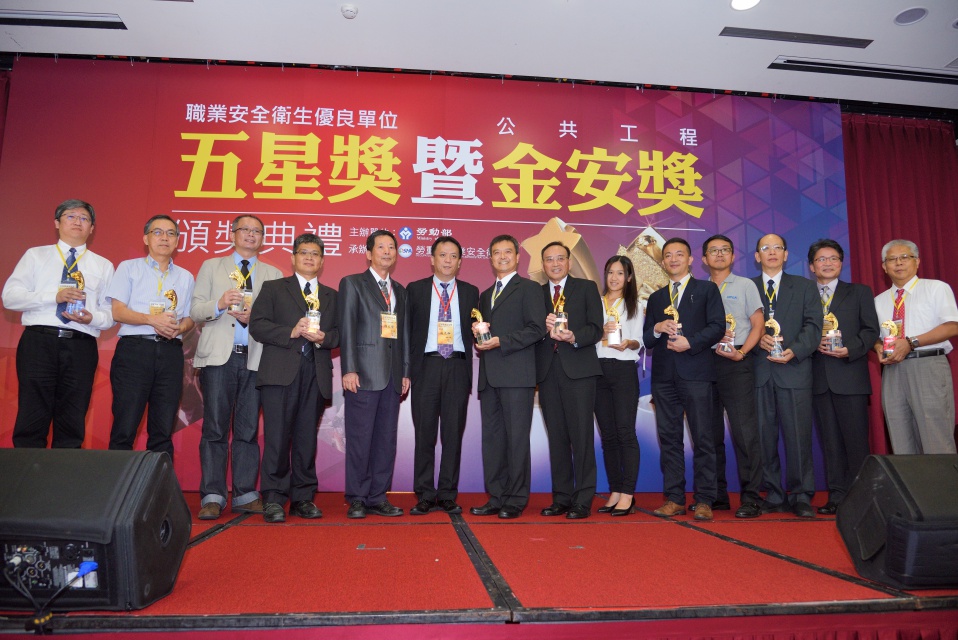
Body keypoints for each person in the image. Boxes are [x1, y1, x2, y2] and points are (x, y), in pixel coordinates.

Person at [190, 215, 283, 520]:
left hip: (255, 359)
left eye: (257, 231)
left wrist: (256, 317)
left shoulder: (273, 273)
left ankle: (244, 493)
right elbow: (195, 311)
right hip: (219, 357)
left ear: (263, 239)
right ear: (232, 234)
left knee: (248, 430)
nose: (251, 235)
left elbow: (278, 321)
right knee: (215, 428)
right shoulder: (211, 266)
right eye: (245, 229)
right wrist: (219, 304)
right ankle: (213, 495)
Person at [2, 199, 115, 448]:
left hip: (81, 345)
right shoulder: (36, 255)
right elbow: (10, 297)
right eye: (71, 216)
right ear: (57, 223)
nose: (77, 222)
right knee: (32, 413)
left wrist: (92, 318)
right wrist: (53, 297)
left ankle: (65, 471)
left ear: (92, 228)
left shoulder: (103, 265)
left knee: (73, 417)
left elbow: (110, 314)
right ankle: (27, 470)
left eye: (84, 218)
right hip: (39, 342)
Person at [249, 233, 339, 523]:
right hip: (279, 373)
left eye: (315, 254)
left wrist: (324, 338)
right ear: (293, 258)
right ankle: (274, 499)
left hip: (315, 373)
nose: (309, 258)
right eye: (304, 253)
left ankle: (303, 498)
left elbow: (340, 334)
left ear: (322, 261)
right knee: (277, 437)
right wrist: (291, 330)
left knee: (306, 439)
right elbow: (257, 325)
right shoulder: (274, 288)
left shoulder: (331, 295)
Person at [643, 238, 725, 521]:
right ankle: (675, 498)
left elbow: (718, 326)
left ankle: (704, 500)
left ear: (690, 260)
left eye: (680, 254)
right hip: (664, 378)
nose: (673, 259)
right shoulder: (656, 297)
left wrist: (690, 342)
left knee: (703, 438)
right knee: (669, 439)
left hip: (697, 374)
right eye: (668, 255)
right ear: (662, 262)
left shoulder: (706, 290)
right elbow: (647, 339)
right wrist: (657, 327)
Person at [470, 235, 547, 519]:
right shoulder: (485, 294)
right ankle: (496, 496)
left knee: (516, 440)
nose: (502, 257)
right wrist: (479, 335)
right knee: (492, 441)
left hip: (517, 376)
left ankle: (515, 499)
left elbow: (537, 329)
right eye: (496, 253)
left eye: (507, 252)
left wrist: (501, 341)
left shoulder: (529, 289)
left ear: (517, 257)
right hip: (489, 377)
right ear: (490, 258)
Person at [107, 214, 195, 460]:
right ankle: (118, 483)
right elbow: (118, 311)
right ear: (146, 239)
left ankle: (159, 482)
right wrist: (151, 320)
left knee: (163, 428)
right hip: (135, 351)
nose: (164, 238)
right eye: (158, 232)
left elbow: (190, 318)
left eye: (170, 233)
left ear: (177, 241)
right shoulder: (128, 268)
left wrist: (179, 328)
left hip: (170, 352)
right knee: (125, 425)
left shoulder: (186, 277)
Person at [338, 230, 410, 519]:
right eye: (381, 247)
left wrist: (405, 371)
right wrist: (349, 368)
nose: (387, 252)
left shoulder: (400, 290)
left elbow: (404, 334)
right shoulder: (353, 283)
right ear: (368, 253)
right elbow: (347, 327)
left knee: (385, 440)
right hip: (363, 374)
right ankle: (357, 497)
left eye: (391, 247)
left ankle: (378, 497)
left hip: (392, 376)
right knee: (360, 438)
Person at [407, 236, 479, 516]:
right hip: (426, 366)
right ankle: (425, 494)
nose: (448, 260)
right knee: (424, 434)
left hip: (457, 367)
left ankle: (447, 493)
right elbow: (406, 333)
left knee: (453, 435)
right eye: (442, 255)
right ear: (432, 259)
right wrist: (406, 371)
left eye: (453, 256)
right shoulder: (415, 290)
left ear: (460, 262)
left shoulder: (471, 292)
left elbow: (479, 330)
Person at [751, 233, 822, 518]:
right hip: (759, 372)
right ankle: (773, 493)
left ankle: (801, 494)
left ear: (786, 254)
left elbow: (814, 325)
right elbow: (737, 325)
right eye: (765, 248)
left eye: (777, 247)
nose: (772, 252)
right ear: (757, 256)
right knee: (763, 438)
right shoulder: (747, 287)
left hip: (794, 370)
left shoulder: (805, 286)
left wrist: (795, 350)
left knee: (798, 436)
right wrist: (756, 339)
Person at [807, 239, 880, 515]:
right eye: (821, 259)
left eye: (833, 258)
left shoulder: (859, 292)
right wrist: (811, 343)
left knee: (856, 441)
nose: (827, 263)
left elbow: (870, 330)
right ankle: (836, 496)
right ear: (812, 266)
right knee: (830, 443)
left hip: (851, 376)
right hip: (817, 379)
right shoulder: (804, 294)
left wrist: (850, 349)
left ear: (841, 262)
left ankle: (862, 498)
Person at [535, 241, 604, 520]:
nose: (555, 263)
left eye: (560, 258)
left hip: (579, 371)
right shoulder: (536, 293)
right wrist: (542, 329)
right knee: (557, 438)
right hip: (547, 372)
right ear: (543, 265)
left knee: (582, 437)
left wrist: (574, 336)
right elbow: (530, 331)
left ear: (569, 262)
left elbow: (596, 328)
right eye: (549, 259)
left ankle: (583, 499)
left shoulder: (586, 288)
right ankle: (561, 498)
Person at [701, 235, 766, 519]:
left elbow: (758, 324)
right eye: (713, 251)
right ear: (704, 259)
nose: (719, 254)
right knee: (709, 433)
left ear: (733, 255)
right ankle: (717, 495)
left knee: (744, 432)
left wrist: (742, 353)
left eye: (724, 250)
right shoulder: (699, 289)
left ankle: (751, 497)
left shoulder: (745, 285)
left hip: (736, 362)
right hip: (705, 363)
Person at [874, 239, 958, 454]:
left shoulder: (936, 288)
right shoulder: (879, 300)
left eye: (905, 257)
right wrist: (877, 347)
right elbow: (875, 336)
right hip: (893, 370)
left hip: (928, 365)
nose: (898, 263)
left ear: (917, 261)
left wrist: (911, 343)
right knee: (900, 439)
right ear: (884, 266)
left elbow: (952, 326)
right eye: (892, 259)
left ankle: (942, 478)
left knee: (936, 439)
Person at [593, 256, 643, 516]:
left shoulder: (636, 304)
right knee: (608, 435)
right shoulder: (595, 302)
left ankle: (628, 493)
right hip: (597, 371)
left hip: (623, 369)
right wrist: (599, 333)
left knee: (625, 432)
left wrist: (628, 343)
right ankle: (614, 490)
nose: (614, 278)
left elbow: (639, 340)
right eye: (610, 272)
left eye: (620, 273)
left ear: (629, 277)